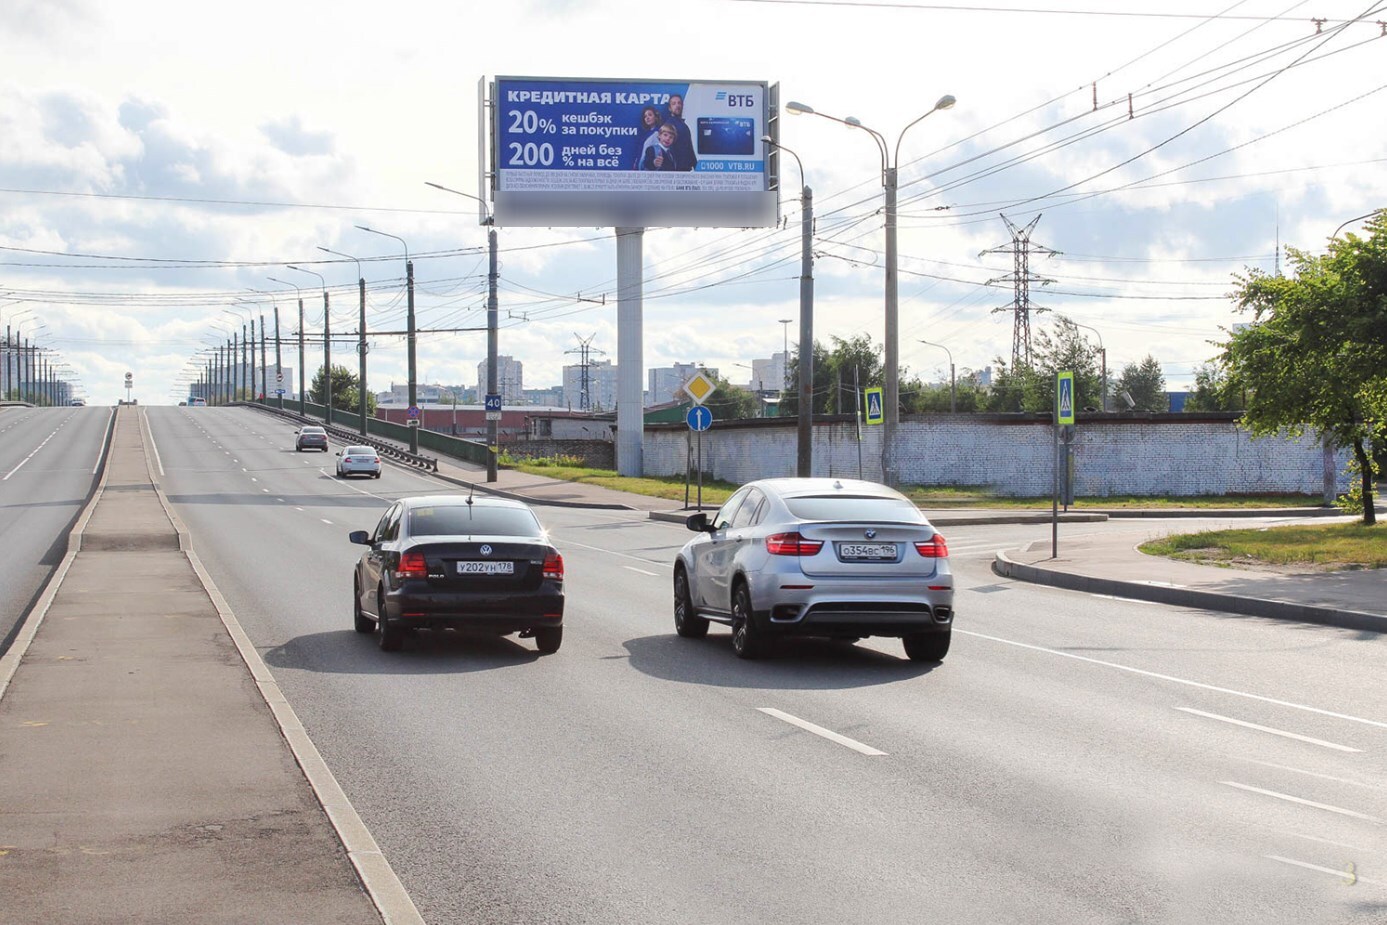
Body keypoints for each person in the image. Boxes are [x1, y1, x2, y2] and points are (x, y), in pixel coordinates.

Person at [664, 93, 697, 172]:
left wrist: (696, 166)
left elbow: (689, 147)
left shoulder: (684, 125)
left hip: (686, 170)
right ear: (669, 108)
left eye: (679, 103)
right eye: (674, 104)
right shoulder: (668, 125)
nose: (677, 105)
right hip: (675, 171)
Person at [630, 105, 661, 169]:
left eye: (650, 115)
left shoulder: (658, 133)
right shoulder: (646, 134)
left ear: (655, 117)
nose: (647, 118)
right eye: (645, 116)